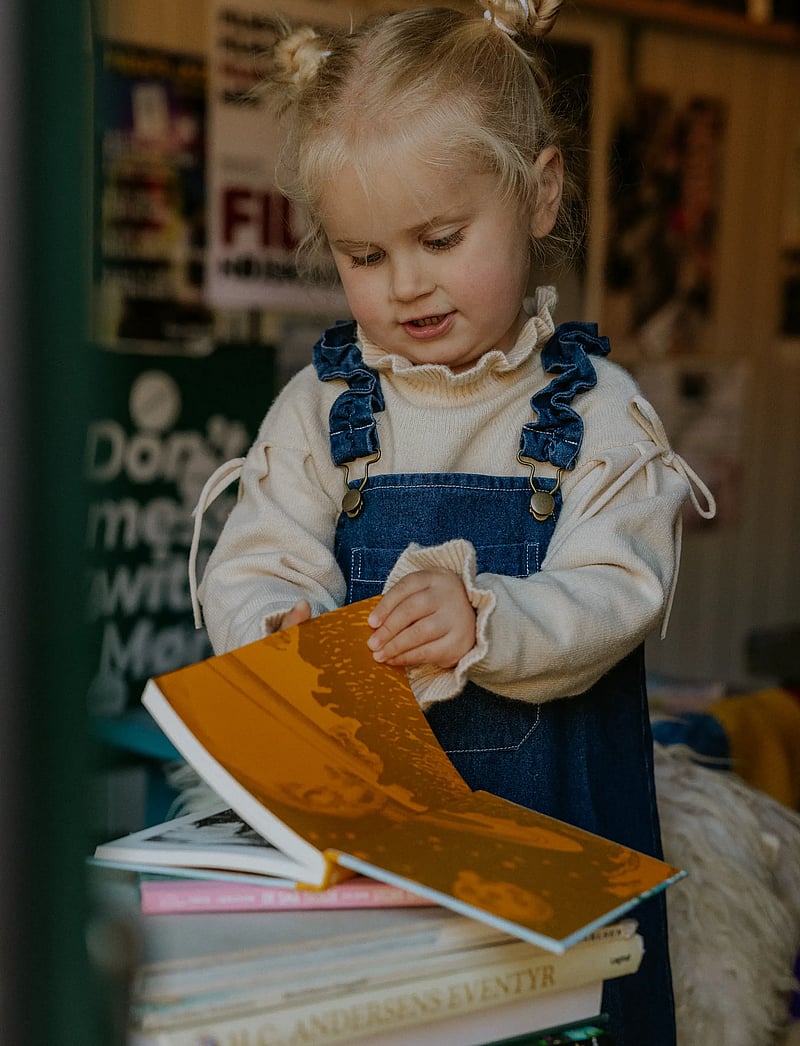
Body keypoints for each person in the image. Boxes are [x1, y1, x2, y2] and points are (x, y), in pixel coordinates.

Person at [190, 2, 715, 1042]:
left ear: (539, 191)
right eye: (363, 254)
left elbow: (620, 585)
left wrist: (489, 619)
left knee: (559, 1023)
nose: (406, 283)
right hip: (370, 850)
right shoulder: (318, 411)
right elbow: (250, 561)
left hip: (553, 836)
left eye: (438, 238)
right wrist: (278, 628)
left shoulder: (596, 411)